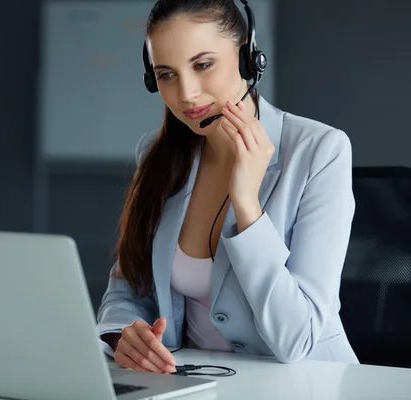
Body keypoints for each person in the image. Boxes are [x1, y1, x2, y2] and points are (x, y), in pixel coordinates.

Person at [95, 0, 360, 374]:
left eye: (203, 65)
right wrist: (122, 335)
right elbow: (128, 286)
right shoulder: (157, 156)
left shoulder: (320, 151)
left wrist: (248, 207)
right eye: (166, 74)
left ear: (247, 55)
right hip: (197, 382)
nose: (186, 93)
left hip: (306, 383)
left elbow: (297, 339)